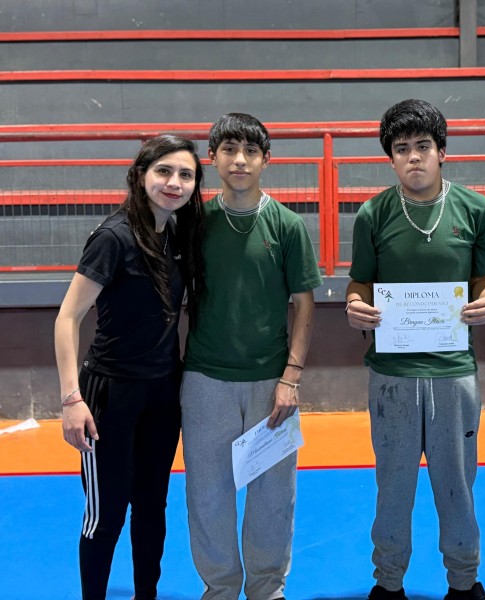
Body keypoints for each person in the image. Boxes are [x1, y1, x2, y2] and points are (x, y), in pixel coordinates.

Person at [345, 99, 485, 600]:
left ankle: (464, 582)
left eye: (423, 146)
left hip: (454, 371)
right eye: (402, 148)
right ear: (391, 158)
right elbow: (359, 283)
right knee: (393, 485)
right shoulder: (372, 214)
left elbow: (484, 279)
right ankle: (388, 584)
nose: (413, 156)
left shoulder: (475, 209)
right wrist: (354, 305)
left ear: (442, 152)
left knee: (458, 483)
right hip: (392, 375)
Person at [54, 134, 206, 600]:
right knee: (106, 514)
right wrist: (71, 399)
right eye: (163, 171)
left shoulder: (178, 233)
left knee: (152, 507)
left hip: (162, 392)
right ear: (140, 176)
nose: (174, 183)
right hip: (110, 395)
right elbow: (68, 318)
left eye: (185, 175)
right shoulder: (113, 237)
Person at [180, 113, 322, 600]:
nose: (239, 160)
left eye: (250, 151)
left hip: (271, 383)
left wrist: (291, 377)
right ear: (212, 158)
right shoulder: (194, 223)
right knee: (207, 494)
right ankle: (219, 588)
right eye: (229, 150)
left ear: (266, 160)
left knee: (274, 494)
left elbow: (304, 305)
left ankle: (267, 589)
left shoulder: (287, 225)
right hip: (205, 379)